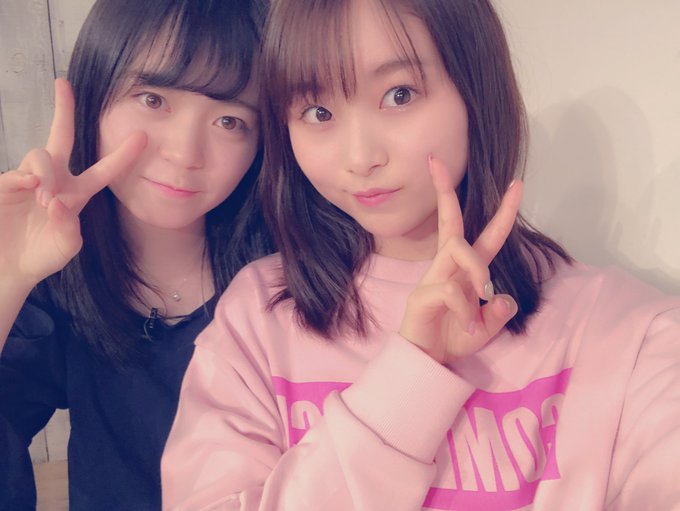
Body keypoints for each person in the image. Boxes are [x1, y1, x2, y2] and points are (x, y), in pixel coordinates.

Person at [161, 0, 680, 509]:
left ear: (477, 89)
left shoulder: (626, 333)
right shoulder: (260, 315)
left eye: (399, 94)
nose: (360, 157)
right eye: (319, 112)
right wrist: (410, 377)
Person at [0, 0, 272, 509]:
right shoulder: (55, 277)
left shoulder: (292, 280)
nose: (184, 153)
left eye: (230, 121)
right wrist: (7, 279)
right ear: (95, 93)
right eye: (153, 99)